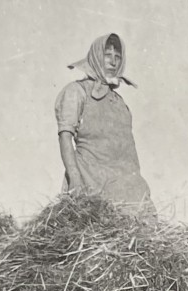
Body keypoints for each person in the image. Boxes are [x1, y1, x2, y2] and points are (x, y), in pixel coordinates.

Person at [54, 33, 154, 217]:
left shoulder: (119, 103)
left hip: (126, 189)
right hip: (91, 182)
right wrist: (75, 179)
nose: (113, 62)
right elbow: (65, 136)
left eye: (118, 57)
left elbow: (128, 152)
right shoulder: (77, 91)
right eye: (107, 55)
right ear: (95, 57)